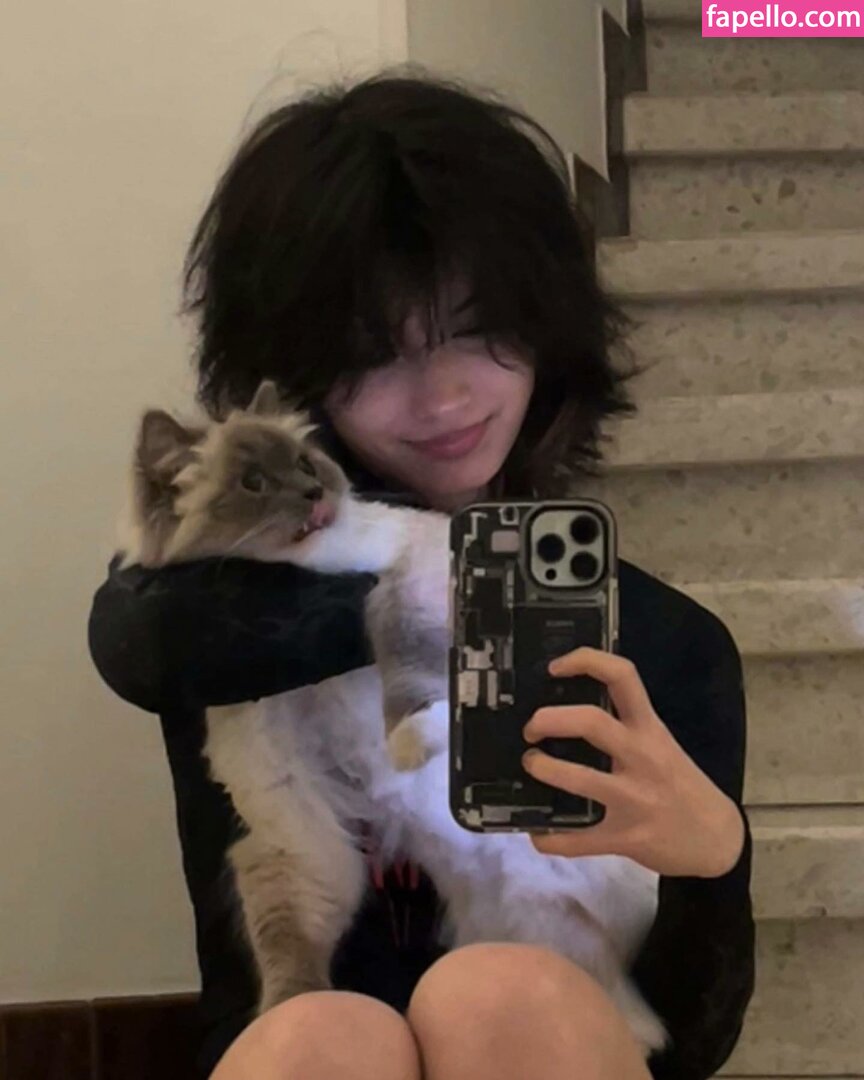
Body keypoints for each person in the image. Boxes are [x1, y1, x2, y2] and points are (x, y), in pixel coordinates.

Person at [88, 67, 755, 1080]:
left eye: (480, 330)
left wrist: (712, 858)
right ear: (301, 376)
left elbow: (691, 1044)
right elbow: (139, 636)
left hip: (558, 1043)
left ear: (548, 321)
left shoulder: (668, 644)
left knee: (503, 993)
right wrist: (434, 575)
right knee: (327, 1033)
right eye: (374, 354)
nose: (444, 397)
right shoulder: (221, 611)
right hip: (308, 1052)